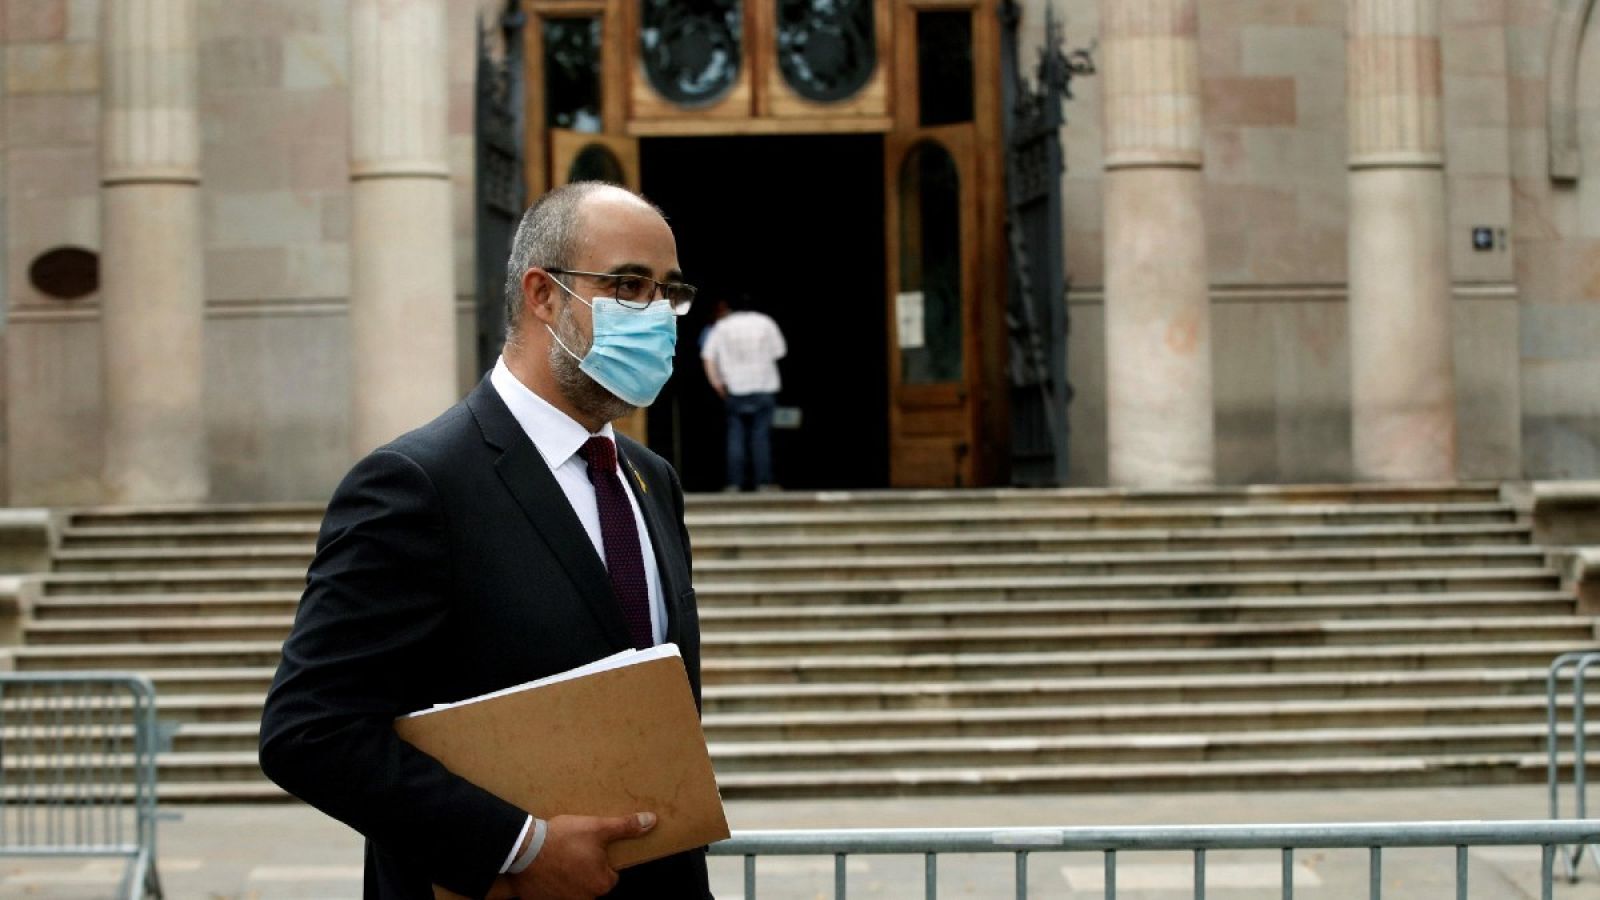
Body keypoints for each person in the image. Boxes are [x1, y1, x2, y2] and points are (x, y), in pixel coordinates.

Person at [258, 182, 711, 900]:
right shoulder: (417, 484)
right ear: (543, 295)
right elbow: (310, 732)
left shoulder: (650, 480)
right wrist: (516, 847)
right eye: (629, 284)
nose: (655, 314)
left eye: (669, 292)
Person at [700, 295, 786, 492]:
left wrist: (716, 383)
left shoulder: (722, 327)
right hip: (764, 386)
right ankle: (763, 482)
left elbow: (707, 356)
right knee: (761, 435)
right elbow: (779, 352)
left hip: (735, 388)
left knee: (735, 436)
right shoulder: (765, 322)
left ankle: (734, 483)